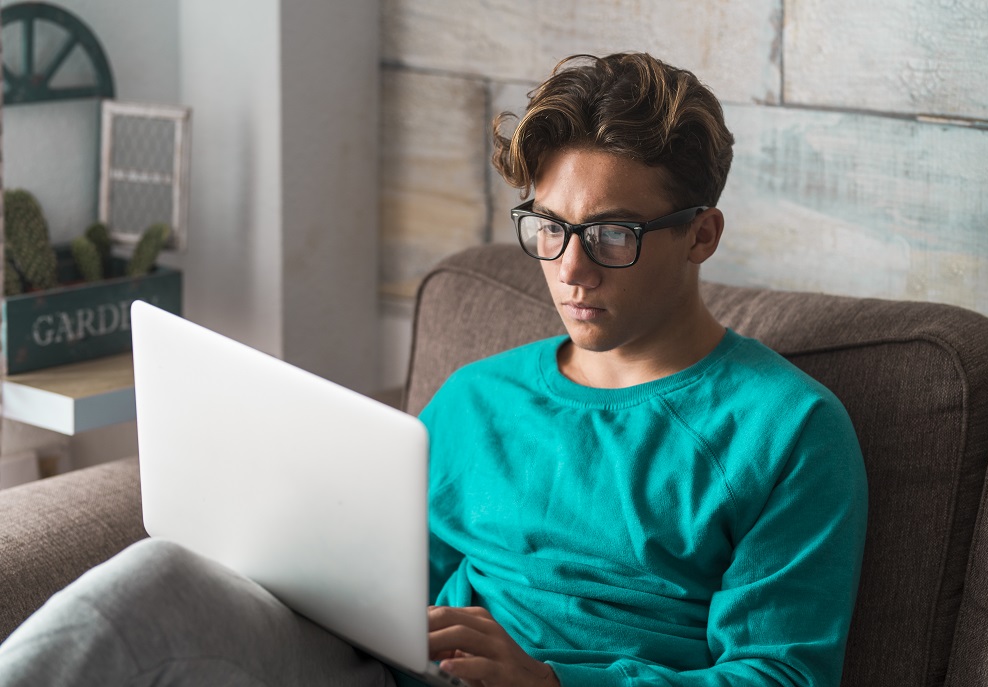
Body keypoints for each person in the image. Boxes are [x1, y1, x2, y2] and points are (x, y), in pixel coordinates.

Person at [0, 52, 866, 687]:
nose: (570, 267)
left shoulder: (786, 430)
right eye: (549, 228)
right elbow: (373, 587)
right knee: (161, 580)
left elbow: (780, 676)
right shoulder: (480, 399)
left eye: (612, 234)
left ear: (701, 236)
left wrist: (551, 684)